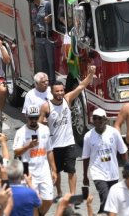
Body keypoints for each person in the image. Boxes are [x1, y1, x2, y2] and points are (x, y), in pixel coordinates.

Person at [39, 66, 95, 198]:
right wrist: (43, 126)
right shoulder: (46, 106)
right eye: (57, 91)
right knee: (56, 171)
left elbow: (81, 86)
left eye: (61, 91)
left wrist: (91, 73)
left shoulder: (67, 99)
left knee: (71, 170)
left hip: (69, 143)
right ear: (52, 92)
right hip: (54, 145)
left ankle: (72, 195)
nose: (59, 93)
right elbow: (39, 123)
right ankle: (58, 191)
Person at [12, 105, 57, 215]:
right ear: (26, 116)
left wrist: (54, 170)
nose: (33, 120)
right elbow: (16, 152)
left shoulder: (45, 129)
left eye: (36, 118)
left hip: (44, 170)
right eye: (31, 118)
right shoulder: (21, 132)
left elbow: (49, 150)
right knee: (32, 201)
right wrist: (28, 146)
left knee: (49, 199)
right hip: (29, 171)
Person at [82, 108, 128, 214]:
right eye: (95, 118)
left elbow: (123, 151)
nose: (97, 121)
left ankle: (103, 212)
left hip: (113, 172)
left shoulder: (114, 133)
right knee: (106, 196)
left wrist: (128, 169)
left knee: (113, 199)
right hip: (97, 172)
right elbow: (85, 157)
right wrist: (85, 175)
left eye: (100, 119)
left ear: (105, 120)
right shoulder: (88, 136)